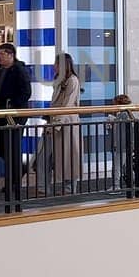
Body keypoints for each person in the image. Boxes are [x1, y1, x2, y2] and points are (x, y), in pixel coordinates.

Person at [0, 43, 32, 208]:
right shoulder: (0, 70)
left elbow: (26, 92)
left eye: (2, 54)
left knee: (11, 146)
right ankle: (17, 169)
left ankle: (13, 178)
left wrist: (14, 107)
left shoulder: (19, 70)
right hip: (1, 113)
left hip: (13, 115)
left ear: (10, 54)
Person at [33, 53, 81, 194]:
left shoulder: (72, 81)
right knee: (43, 156)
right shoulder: (59, 81)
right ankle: (43, 188)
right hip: (55, 122)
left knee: (68, 157)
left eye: (56, 64)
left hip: (65, 124)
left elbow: (67, 104)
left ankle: (68, 188)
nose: (54, 67)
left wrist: (56, 123)